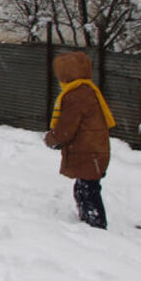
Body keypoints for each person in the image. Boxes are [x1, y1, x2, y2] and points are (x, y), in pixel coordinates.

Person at [44, 51, 115, 230]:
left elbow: (67, 127)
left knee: (88, 189)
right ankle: (88, 222)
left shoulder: (75, 95)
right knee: (84, 187)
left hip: (88, 150)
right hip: (93, 149)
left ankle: (96, 225)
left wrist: (52, 139)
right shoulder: (88, 89)